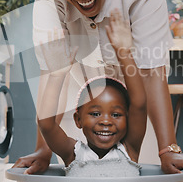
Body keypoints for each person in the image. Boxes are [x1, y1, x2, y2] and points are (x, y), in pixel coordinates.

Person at [13, 0, 183, 180]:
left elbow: (151, 74)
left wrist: (167, 149)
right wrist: (44, 147)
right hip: (77, 101)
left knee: (141, 169)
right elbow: (52, 71)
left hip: (133, 111)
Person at [36, 10, 147, 177]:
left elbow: (139, 103)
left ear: (128, 118)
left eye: (116, 114)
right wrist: (56, 75)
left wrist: (124, 53)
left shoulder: (129, 150)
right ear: (78, 119)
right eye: (95, 113)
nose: (106, 121)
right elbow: (46, 124)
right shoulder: (72, 154)